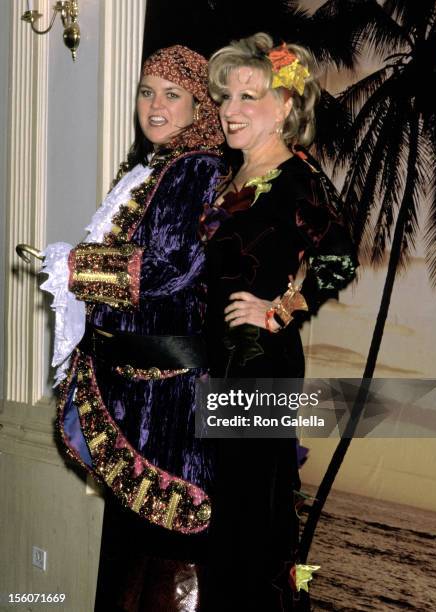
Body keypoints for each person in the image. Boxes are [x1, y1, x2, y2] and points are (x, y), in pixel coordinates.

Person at [39, 45, 225, 610]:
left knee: (165, 538)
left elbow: (172, 266)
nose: (156, 105)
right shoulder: (152, 167)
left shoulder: (197, 167)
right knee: (131, 539)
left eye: (173, 94)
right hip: (138, 380)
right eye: (147, 91)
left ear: (199, 107)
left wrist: (76, 268)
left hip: (166, 393)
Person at [200, 33, 357, 610]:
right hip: (221, 369)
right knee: (228, 524)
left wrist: (281, 309)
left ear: (286, 107)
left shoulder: (298, 178)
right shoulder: (232, 176)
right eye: (225, 98)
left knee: (252, 528)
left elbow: (339, 258)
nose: (230, 111)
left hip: (260, 369)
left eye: (249, 97)